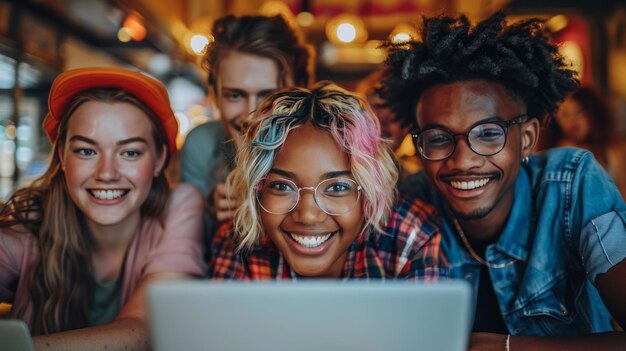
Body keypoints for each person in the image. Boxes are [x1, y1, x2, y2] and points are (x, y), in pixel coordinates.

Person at [381, 12, 626, 350]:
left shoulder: (571, 184)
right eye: (438, 138)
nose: (463, 161)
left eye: (488, 134)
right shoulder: (412, 203)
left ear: (527, 138)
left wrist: (508, 347)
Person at [0, 68, 206, 350]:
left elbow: (147, 327)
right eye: (87, 151)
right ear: (62, 156)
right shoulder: (29, 225)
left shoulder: (179, 206)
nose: (106, 173)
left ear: (159, 160)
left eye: (130, 152)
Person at [210, 82, 444, 280]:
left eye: (337, 187)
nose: (308, 215)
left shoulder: (410, 236)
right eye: (281, 186)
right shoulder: (238, 243)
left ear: (370, 192)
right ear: (257, 190)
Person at [180, 14, 315, 235]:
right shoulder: (201, 146)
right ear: (214, 95)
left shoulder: (331, 149)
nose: (251, 115)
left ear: (301, 90)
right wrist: (208, 212)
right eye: (235, 95)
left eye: (269, 95)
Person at [539, 86, 626, 198]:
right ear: (556, 120)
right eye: (565, 115)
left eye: (580, 112)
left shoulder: (612, 151)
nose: (573, 121)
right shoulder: (557, 153)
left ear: (594, 112)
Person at [356, 70, 421, 183]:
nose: (386, 118)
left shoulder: (415, 187)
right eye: (378, 107)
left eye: (399, 112)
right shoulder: (333, 166)